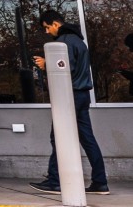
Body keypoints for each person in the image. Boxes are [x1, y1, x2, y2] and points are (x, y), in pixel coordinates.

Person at [30, 10, 108, 196]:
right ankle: (100, 182)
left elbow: (64, 69)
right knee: (88, 140)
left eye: (48, 28)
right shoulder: (79, 42)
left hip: (70, 96)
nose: (48, 32)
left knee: (58, 136)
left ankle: (55, 181)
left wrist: (45, 64)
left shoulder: (64, 42)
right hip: (82, 96)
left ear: (56, 24)